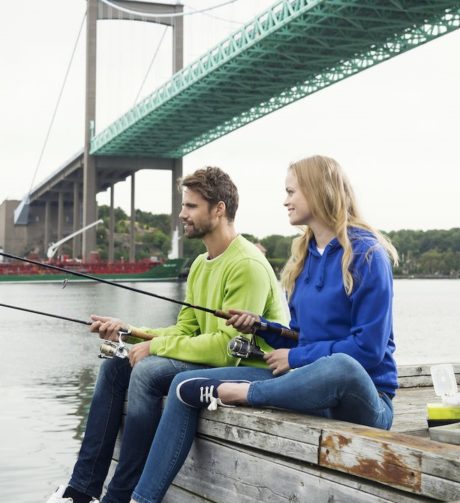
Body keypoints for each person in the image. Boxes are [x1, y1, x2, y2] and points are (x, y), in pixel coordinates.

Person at [128, 154, 399, 503]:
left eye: (291, 192)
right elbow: (301, 337)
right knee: (183, 386)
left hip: (366, 400)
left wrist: (296, 357)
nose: (285, 200)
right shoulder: (303, 257)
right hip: (305, 385)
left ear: (318, 192)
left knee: (342, 367)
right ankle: (141, 499)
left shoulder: (366, 255)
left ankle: (242, 393)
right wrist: (263, 328)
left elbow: (368, 350)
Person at [46, 166, 287, 503]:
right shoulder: (202, 264)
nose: (181, 214)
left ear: (219, 209)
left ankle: (119, 496)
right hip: (217, 359)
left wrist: (155, 347)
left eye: (191, 206)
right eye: (183, 205)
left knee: (147, 372)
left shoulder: (246, 264)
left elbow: (227, 349)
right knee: (116, 365)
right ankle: (81, 491)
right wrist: (129, 332)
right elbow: (185, 329)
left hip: (254, 367)